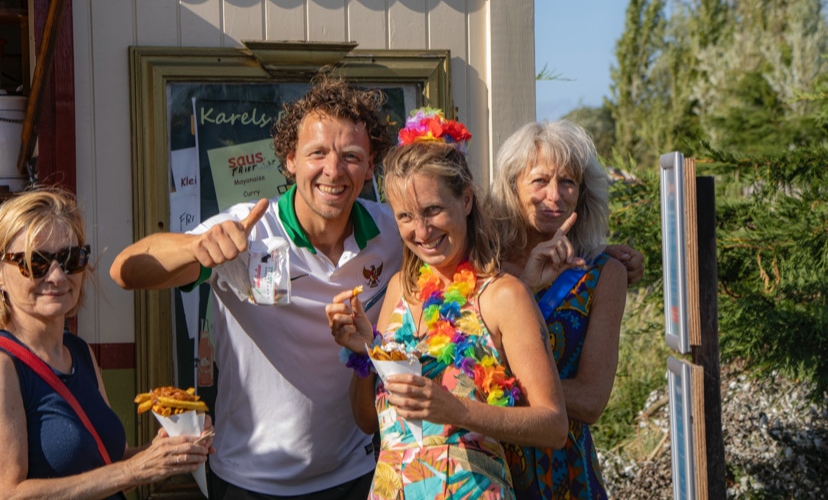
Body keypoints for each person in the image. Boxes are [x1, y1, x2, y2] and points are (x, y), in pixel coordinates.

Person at [110, 74, 403, 499]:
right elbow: (126, 270)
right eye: (317, 153)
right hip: (247, 480)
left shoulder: (394, 233)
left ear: (371, 165)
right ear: (290, 159)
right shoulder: (247, 229)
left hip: (356, 474)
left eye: (351, 156)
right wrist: (196, 247)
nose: (334, 170)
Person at [326, 109, 570, 499]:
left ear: (466, 199)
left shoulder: (503, 295)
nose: (421, 231)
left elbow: (554, 426)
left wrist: (457, 411)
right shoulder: (399, 291)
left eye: (433, 210)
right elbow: (368, 422)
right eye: (405, 216)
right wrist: (363, 353)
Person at [0, 188, 212, 500]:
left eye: (70, 259)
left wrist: (168, 452)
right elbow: (9, 493)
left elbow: (109, 466)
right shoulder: (5, 364)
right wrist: (136, 469)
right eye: (36, 262)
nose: (57, 276)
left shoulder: (79, 352)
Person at [488, 120, 629, 499]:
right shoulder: (484, 267)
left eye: (568, 182)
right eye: (539, 181)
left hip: (566, 477)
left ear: (582, 194)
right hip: (485, 471)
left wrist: (488, 391)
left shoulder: (602, 275)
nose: (554, 195)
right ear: (512, 187)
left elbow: (592, 399)